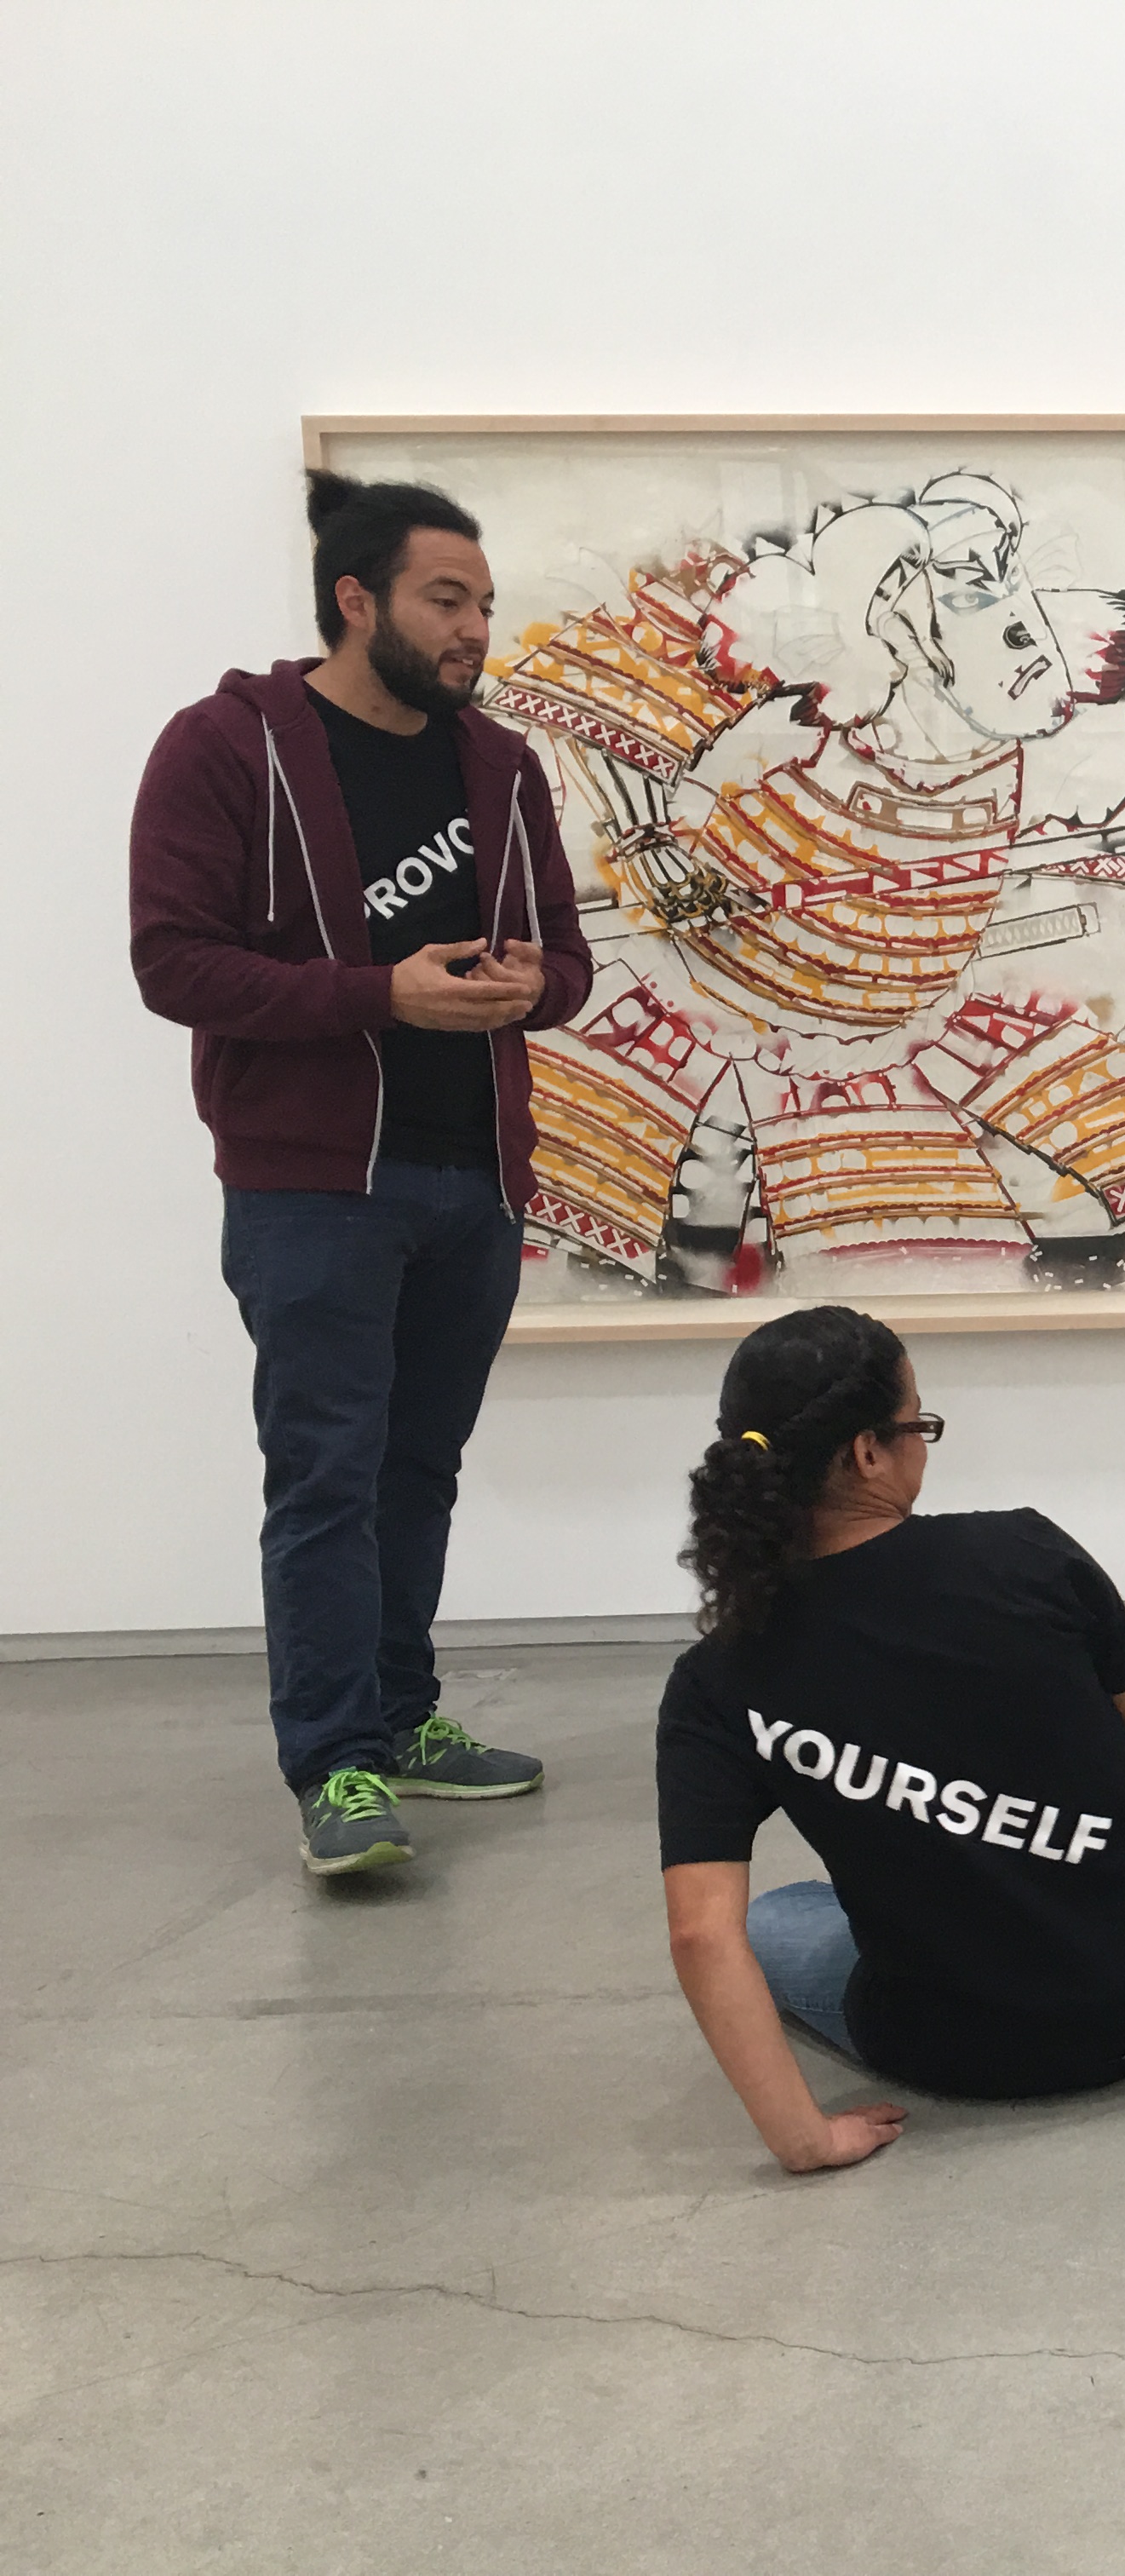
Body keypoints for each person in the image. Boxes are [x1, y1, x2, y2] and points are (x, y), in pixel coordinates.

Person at [129, 471, 594, 1878]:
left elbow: (568, 962)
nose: (474, 631)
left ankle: (400, 1715)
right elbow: (175, 963)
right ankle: (333, 1762)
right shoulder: (226, 746)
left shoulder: (501, 767)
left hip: (475, 1178)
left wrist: (528, 986)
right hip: (314, 1185)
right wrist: (378, 991)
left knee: (418, 1465)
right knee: (325, 1475)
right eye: (446, 600)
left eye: (484, 606)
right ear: (357, 598)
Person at [654, 1307, 1125, 2171]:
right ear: (868, 1451)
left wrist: (804, 2138)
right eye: (918, 1425)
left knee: (775, 1916)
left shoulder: (716, 1678)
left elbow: (699, 1936)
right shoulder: (1022, 1549)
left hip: (964, 2047)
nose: (923, 1444)